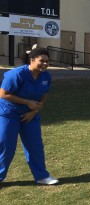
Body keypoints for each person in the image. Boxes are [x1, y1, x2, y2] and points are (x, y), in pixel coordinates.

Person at [0, 46, 59, 185]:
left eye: (47, 61)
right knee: (6, 145)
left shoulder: (46, 75)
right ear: (31, 60)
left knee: (35, 146)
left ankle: (41, 176)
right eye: (41, 60)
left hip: (30, 115)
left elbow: (45, 94)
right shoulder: (16, 74)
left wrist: (34, 111)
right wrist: (27, 102)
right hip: (9, 113)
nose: (45, 64)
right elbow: (3, 94)